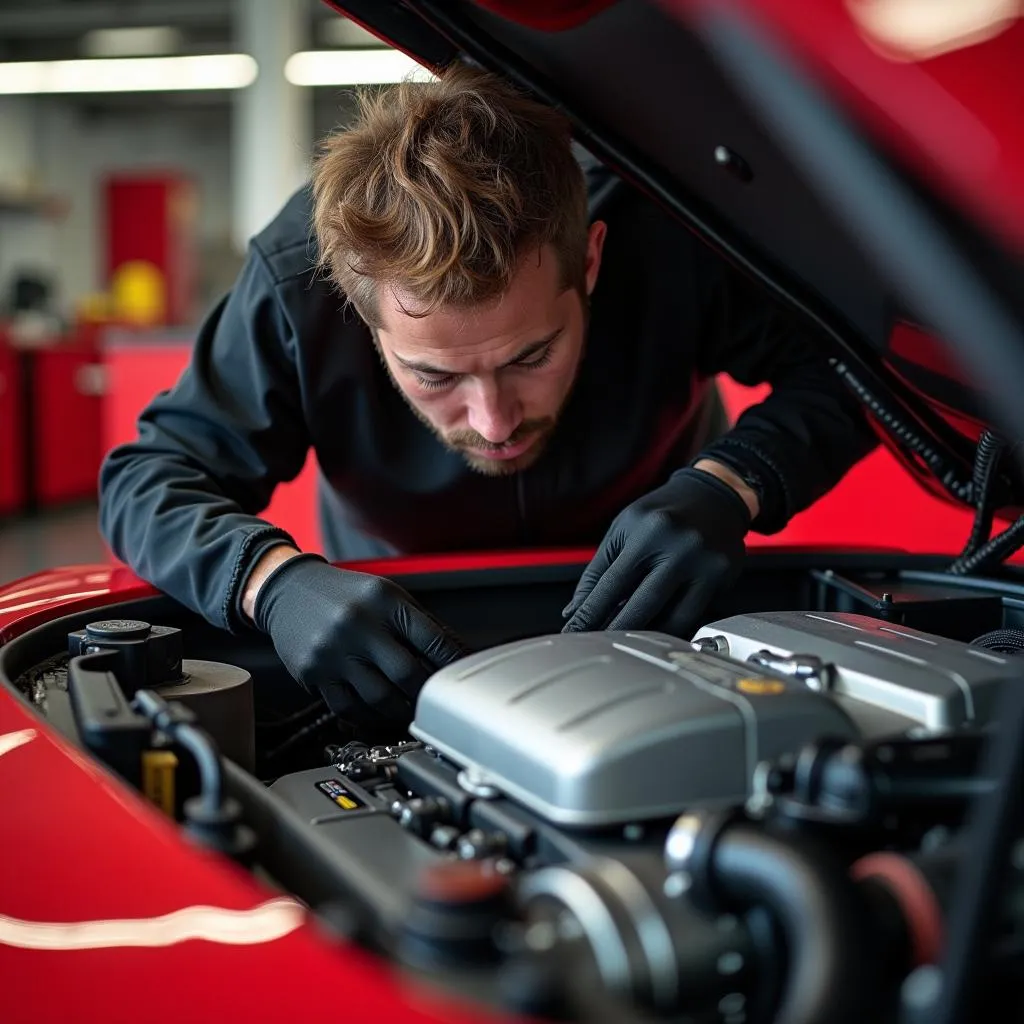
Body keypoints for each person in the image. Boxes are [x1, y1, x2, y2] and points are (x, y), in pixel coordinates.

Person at [99, 64, 876, 725]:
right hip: (402, 646)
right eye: (435, 376)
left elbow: (856, 375)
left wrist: (731, 483)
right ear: (358, 312)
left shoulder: (666, 240)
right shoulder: (299, 281)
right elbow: (147, 479)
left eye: (531, 354)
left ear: (592, 264)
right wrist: (269, 584)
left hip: (658, 617)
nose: (494, 420)